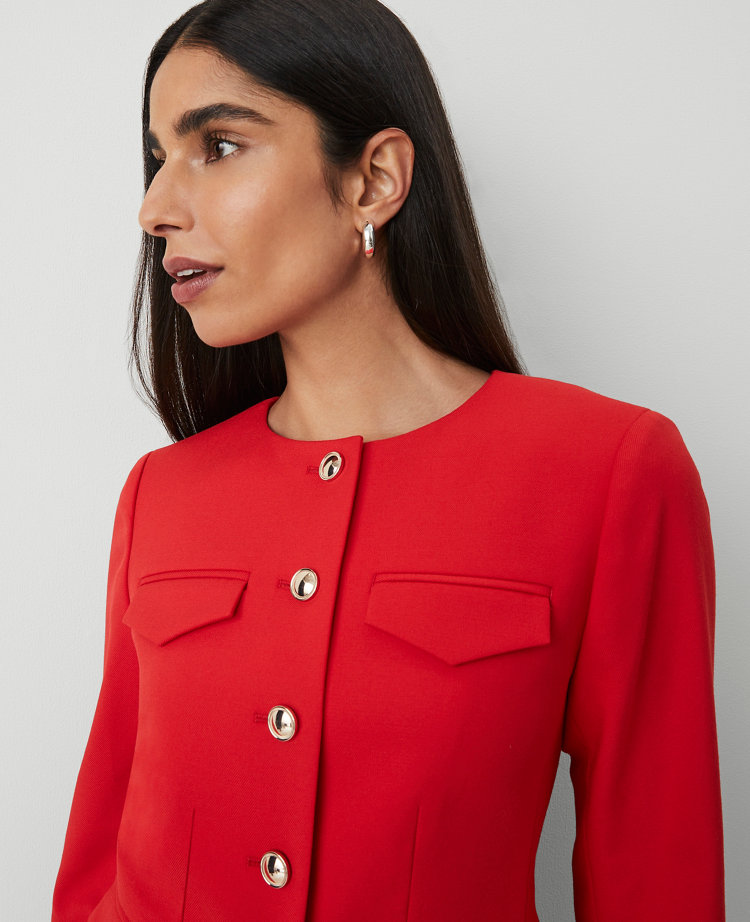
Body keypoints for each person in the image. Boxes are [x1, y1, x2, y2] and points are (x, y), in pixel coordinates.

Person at [51, 1, 725, 919]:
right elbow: (98, 868)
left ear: (374, 180)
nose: (155, 208)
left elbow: (658, 876)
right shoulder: (159, 495)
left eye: (219, 146)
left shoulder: (609, 473)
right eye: (159, 157)